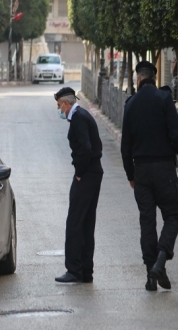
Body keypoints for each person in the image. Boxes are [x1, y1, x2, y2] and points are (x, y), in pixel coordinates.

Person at [121, 61, 178, 291]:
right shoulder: (164, 99)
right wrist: (175, 150)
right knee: (172, 215)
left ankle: (151, 275)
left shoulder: (131, 104)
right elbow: (177, 132)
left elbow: (125, 145)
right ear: (153, 78)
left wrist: (130, 174)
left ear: (138, 79)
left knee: (147, 221)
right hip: (164, 168)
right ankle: (161, 259)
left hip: (141, 171)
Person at [54, 87, 104, 283]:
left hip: (88, 173)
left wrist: (79, 174)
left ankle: (74, 269)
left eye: (59, 105)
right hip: (94, 172)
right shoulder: (82, 115)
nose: (59, 110)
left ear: (66, 103)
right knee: (86, 222)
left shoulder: (78, 118)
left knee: (74, 222)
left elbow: (85, 148)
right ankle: (86, 271)